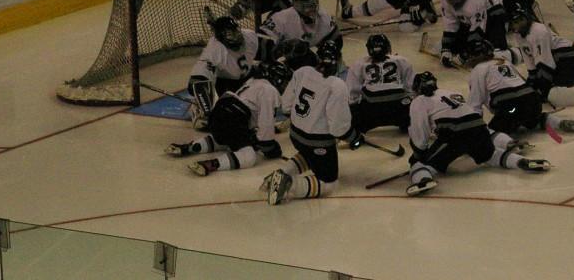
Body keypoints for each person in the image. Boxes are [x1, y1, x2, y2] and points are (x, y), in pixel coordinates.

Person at [405, 70, 551, 197]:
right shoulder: (451, 92)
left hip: (454, 134)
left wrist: (418, 155)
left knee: (421, 163)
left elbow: (420, 133)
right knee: (490, 154)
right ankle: (520, 161)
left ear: (417, 88)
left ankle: (424, 179)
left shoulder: (419, 101)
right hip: (479, 128)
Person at [262, 42, 364, 205]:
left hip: (295, 135)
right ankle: (289, 183)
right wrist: (354, 138)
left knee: (309, 155)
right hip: (317, 142)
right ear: (337, 60)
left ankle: (280, 173)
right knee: (329, 183)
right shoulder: (337, 85)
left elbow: (287, 106)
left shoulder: (303, 72)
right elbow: (338, 128)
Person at [165, 61, 291, 177]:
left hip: (219, 111)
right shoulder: (270, 91)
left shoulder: (254, 81)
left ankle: (190, 147)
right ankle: (211, 164)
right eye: (284, 82)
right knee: (249, 156)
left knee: (227, 139)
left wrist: (254, 138)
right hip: (235, 116)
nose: (285, 87)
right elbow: (265, 135)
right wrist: (271, 149)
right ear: (277, 79)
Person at [465, 38, 574, 137]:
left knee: (491, 133)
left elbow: (474, 105)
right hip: (533, 102)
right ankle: (559, 123)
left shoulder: (478, 70)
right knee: (529, 118)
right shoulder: (504, 62)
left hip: (511, 106)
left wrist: (475, 131)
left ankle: (507, 144)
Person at [506, 5, 574, 108]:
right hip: (559, 60)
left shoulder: (538, 31)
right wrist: (531, 85)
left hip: (570, 61)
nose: (519, 24)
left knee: (552, 93)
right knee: (544, 85)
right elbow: (531, 65)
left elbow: (546, 65)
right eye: (516, 22)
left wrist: (542, 89)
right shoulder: (519, 36)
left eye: (521, 19)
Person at [188, 13, 263, 129]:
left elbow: (267, 49)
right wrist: (208, 110)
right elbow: (197, 82)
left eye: (236, 31)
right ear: (221, 37)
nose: (237, 36)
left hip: (248, 76)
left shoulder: (249, 36)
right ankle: (197, 107)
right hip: (227, 84)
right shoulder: (214, 50)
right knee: (232, 115)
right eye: (230, 34)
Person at [345, 34, 415, 134]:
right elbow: (411, 87)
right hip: (398, 108)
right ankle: (408, 124)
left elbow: (352, 93)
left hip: (371, 109)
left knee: (354, 112)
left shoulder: (359, 64)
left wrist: (353, 115)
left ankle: (357, 128)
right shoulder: (402, 60)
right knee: (413, 104)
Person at [257, 0, 343, 63]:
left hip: (306, 58)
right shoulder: (281, 18)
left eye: (314, 6)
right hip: (286, 61)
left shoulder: (324, 16)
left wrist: (325, 57)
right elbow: (261, 44)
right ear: (296, 5)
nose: (312, 11)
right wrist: (281, 50)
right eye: (307, 7)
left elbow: (336, 39)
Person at [438, 0, 495, 67]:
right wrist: (446, 49)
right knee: (454, 48)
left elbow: (478, 29)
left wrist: (464, 55)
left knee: (479, 47)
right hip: (467, 22)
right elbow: (450, 26)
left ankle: (499, 45)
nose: (453, 1)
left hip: (490, 19)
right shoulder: (445, 0)